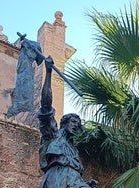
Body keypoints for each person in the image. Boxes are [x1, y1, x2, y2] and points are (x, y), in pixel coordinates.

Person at [37, 57, 97, 188]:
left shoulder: (74, 149)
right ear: (64, 123)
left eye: (78, 123)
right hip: (57, 177)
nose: (76, 125)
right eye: (73, 122)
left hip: (75, 180)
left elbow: (73, 175)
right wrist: (48, 73)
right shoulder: (53, 135)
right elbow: (46, 105)